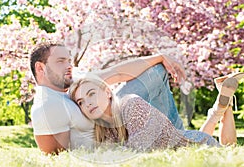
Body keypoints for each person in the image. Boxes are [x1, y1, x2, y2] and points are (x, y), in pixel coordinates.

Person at [30, 41, 186, 154]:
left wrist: (160, 57)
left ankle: (177, 133)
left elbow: (116, 73)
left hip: (115, 112)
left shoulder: (72, 77)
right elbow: (52, 155)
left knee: (157, 71)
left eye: (68, 60)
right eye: (61, 61)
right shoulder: (46, 106)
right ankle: (180, 137)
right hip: (114, 138)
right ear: (40, 67)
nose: (69, 66)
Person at [69, 72, 244, 151]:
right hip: (185, 141)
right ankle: (220, 106)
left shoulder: (131, 104)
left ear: (108, 92)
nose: (88, 103)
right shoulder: (102, 129)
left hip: (200, 145)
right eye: (81, 102)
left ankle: (224, 108)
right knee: (189, 137)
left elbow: (138, 149)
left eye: (91, 94)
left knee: (229, 151)